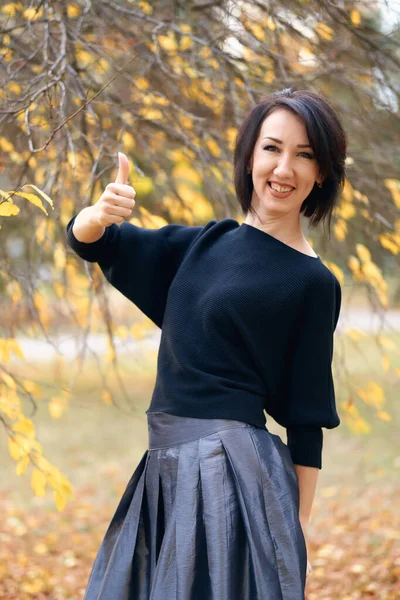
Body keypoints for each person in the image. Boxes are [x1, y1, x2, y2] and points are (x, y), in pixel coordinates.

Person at [66, 87, 346, 599]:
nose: (284, 168)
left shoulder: (312, 282)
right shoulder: (204, 244)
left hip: (230, 472)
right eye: (272, 148)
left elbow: (307, 419)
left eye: (304, 155)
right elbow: (94, 243)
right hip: (163, 465)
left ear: (322, 172)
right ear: (250, 157)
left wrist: (297, 531)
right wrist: (99, 213)